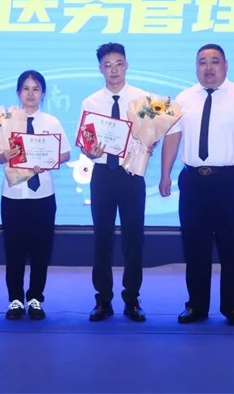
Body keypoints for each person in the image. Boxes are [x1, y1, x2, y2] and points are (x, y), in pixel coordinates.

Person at [159, 43, 234, 326]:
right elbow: (173, 137)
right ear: (196, 67)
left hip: (230, 180)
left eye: (214, 61)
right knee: (195, 245)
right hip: (193, 181)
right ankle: (196, 306)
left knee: (233, 245)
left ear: (226, 65)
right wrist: (165, 174)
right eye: (202, 62)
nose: (208, 67)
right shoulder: (183, 98)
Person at [79, 42, 150, 322]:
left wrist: (150, 142)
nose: (114, 70)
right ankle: (103, 300)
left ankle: (132, 299)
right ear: (100, 69)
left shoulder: (142, 100)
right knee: (102, 238)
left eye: (119, 64)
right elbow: (85, 144)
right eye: (107, 65)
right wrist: (90, 150)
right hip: (102, 175)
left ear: (127, 65)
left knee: (134, 239)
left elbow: (151, 134)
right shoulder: (91, 102)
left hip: (132, 174)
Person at [0, 70, 71, 320]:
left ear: (43, 93)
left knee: (41, 250)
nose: (30, 93)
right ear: (18, 92)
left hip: (43, 195)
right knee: (13, 249)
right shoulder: (5, 122)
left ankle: (36, 298)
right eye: (25, 88)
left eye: (35, 88)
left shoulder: (51, 122)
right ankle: (15, 300)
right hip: (13, 194)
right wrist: (2, 156)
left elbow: (66, 154)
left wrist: (47, 160)